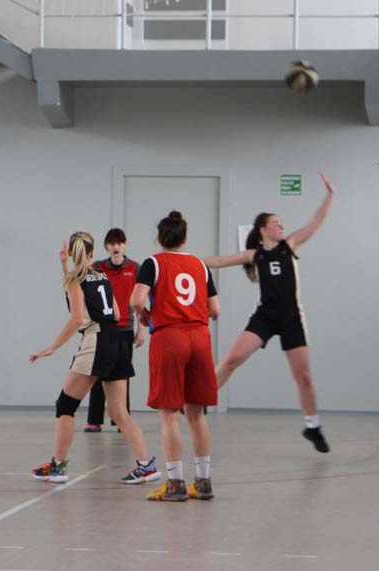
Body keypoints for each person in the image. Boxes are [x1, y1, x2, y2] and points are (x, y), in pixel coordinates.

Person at [203, 173, 334, 453]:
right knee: (232, 359)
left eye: (281, 222)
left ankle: (313, 426)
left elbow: (316, 221)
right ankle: (200, 397)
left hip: (291, 318)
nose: (281, 225)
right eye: (276, 222)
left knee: (304, 376)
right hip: (265, 316)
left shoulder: (290, 245)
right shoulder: (255, 255)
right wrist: (184, 261)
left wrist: (329, 195)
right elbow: (220, 260)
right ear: (263, 230)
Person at [30, 231, 159, 485]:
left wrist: (52, 347)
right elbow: (118, 313)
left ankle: (58, 466)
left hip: (96, 340)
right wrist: (66, 266)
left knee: (65, 406)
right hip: (117, 340)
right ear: (92, 253)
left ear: (72, 253)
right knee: (119, 411)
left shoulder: (74, 279)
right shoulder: (102, 275)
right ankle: (147, 465)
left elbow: (77, 317)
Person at [131, 212, 220, 502]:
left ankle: (175, 483)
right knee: (196, 412)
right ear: (185, 238)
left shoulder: (153, 263)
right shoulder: (200, 265)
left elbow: (136, 299)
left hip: (170, 337)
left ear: (159, 238)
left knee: (169, 413)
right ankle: (203, 482)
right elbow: (215, 310)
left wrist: (144, 313)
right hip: (200, 337)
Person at [83, 229, 146, 433]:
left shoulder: (135, 268)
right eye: (111, 243)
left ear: (124, 245)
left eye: (119, 243)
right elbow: (83, 287)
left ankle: (121, 419)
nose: (116, 247)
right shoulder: (97, 267)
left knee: (121, 375)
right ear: (106, 247)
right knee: (97, 374)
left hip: (125, 328)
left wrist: (141, 330)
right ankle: (94, 420)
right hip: (102, 329)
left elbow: (140, 300)